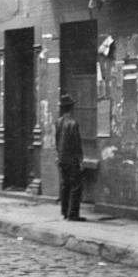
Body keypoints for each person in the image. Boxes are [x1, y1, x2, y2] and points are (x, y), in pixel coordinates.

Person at [55, 93, 85, 222]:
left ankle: (64, 211)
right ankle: (73, 213)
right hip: (72, 159)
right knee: (76, 185)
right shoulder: (73, 123)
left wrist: (58, 155)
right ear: (71, 108)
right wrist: (80, 160)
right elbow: (76, 143)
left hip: (62, 158)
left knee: (65, 185)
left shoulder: (58, 122)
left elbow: (57, 140)